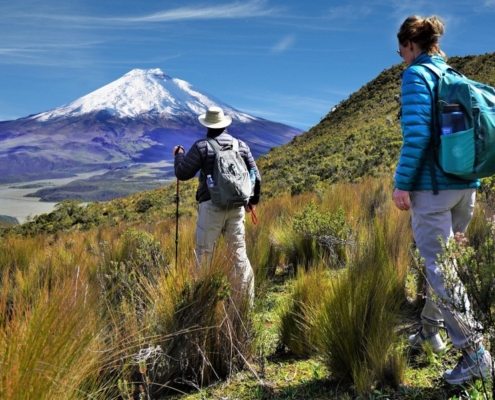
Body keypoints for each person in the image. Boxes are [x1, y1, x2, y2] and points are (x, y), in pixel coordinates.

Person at [393, 15, 492, 385]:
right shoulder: (452, 75)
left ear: (410, 44)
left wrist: (403, 184)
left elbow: (417, 136)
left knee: (441, 270)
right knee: (447, 265)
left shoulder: (417, 76)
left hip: (433, 190)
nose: (400, 55)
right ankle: (430, 331)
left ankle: (475, 353)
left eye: (400, 48)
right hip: (465, 185)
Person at [173, 106, 261, 305]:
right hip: (237, 207)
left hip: (211, 207)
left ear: (207, 125)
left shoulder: (202, 146)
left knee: (205, 254)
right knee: (238, 253)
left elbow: (182, 173)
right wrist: (252, 201)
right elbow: (256, 175)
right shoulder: (241, 146)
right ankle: (245, 303)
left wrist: (179, 155)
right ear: (225, 125)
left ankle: (201, 303)